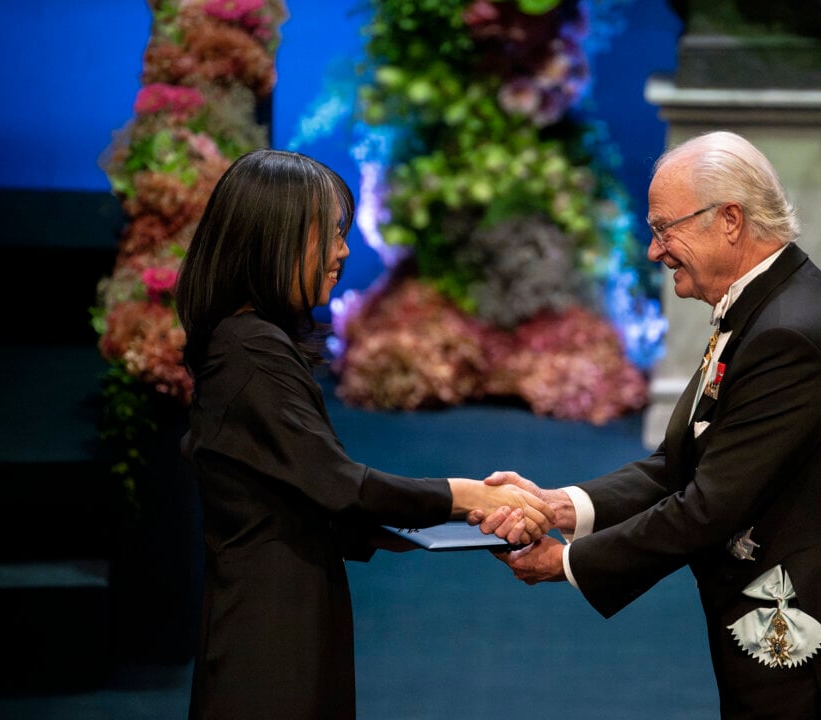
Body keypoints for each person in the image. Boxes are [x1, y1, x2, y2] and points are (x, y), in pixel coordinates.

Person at [480, 131, 821, 718]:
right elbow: (678, 464)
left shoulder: (790, 333)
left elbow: (709, 506)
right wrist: (559, 506)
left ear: (730, 220)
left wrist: (563, 563)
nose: (654, 251)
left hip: (820, 658)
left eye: (665, 228)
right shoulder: (764, 304)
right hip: (777, 633)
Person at [174, 148, 553, 720]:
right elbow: (339, 486)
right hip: (270, 637)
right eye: (330, 235)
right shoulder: (249, 349)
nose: (344, 252)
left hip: (283, 615)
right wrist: (470, 497)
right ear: (275, 239)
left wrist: (456, 523)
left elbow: (313, 500)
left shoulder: (246, 343)